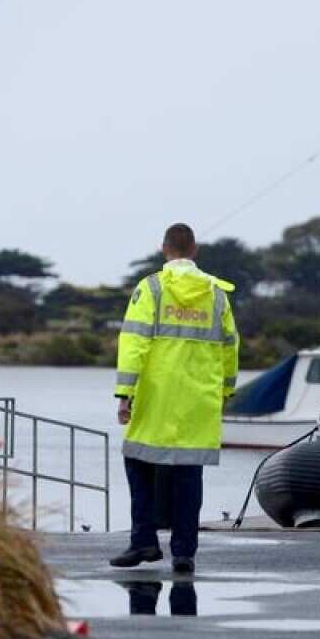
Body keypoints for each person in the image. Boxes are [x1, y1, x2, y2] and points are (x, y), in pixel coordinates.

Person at [110, 223, 239, 574]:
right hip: (198, 398)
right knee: (188, 474)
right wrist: (226, 391)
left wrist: (125, 393)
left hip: (157, 394)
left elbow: (134, 342)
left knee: (137, 461)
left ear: (164, 249)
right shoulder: (216, 294)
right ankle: (184, 553)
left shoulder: (150, 288)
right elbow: (231, 347)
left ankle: (144, 541)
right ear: (194, 250)